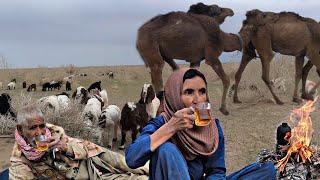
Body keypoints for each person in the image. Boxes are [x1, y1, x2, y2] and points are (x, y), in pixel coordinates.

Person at [125, 68, 277, 180]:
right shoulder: (161, 123)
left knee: (267, 170)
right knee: (166, 150)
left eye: (202, 92)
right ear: (174, 95)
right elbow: (132, 159)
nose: (198, 100)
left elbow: (216, 172)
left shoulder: (212, 128)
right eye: (189, 92)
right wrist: (171, 127)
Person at [9, 105, 149, 180]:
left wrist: (65, 147)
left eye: (41, 126)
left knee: (131, 163)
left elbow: (83, 149)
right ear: (20, 130)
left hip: (94, 156)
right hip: (89, 175)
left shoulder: (54, 133)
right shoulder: (20, 159)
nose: (39, 132)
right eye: (33, 128)